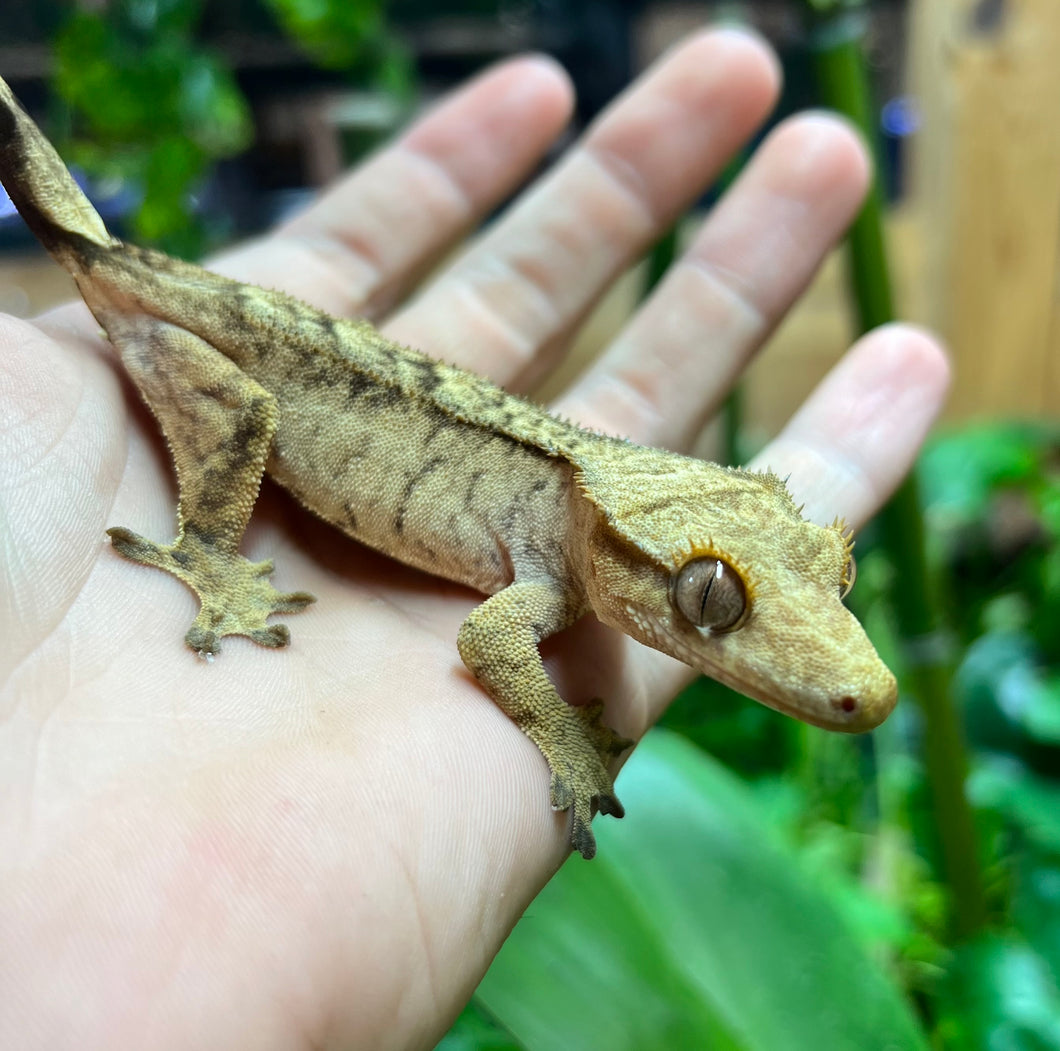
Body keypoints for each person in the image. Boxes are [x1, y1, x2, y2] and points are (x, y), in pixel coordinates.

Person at [0, 27, 947, 1049]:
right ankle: (202, 551)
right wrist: (560, 732)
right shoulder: (559, 569)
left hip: (264, 335)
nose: (852, 680)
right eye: (713, 604)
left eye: (829, 579)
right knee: (241, 417)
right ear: (633, 556)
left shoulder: (605, 526)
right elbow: (491, 642)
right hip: (212, 345)